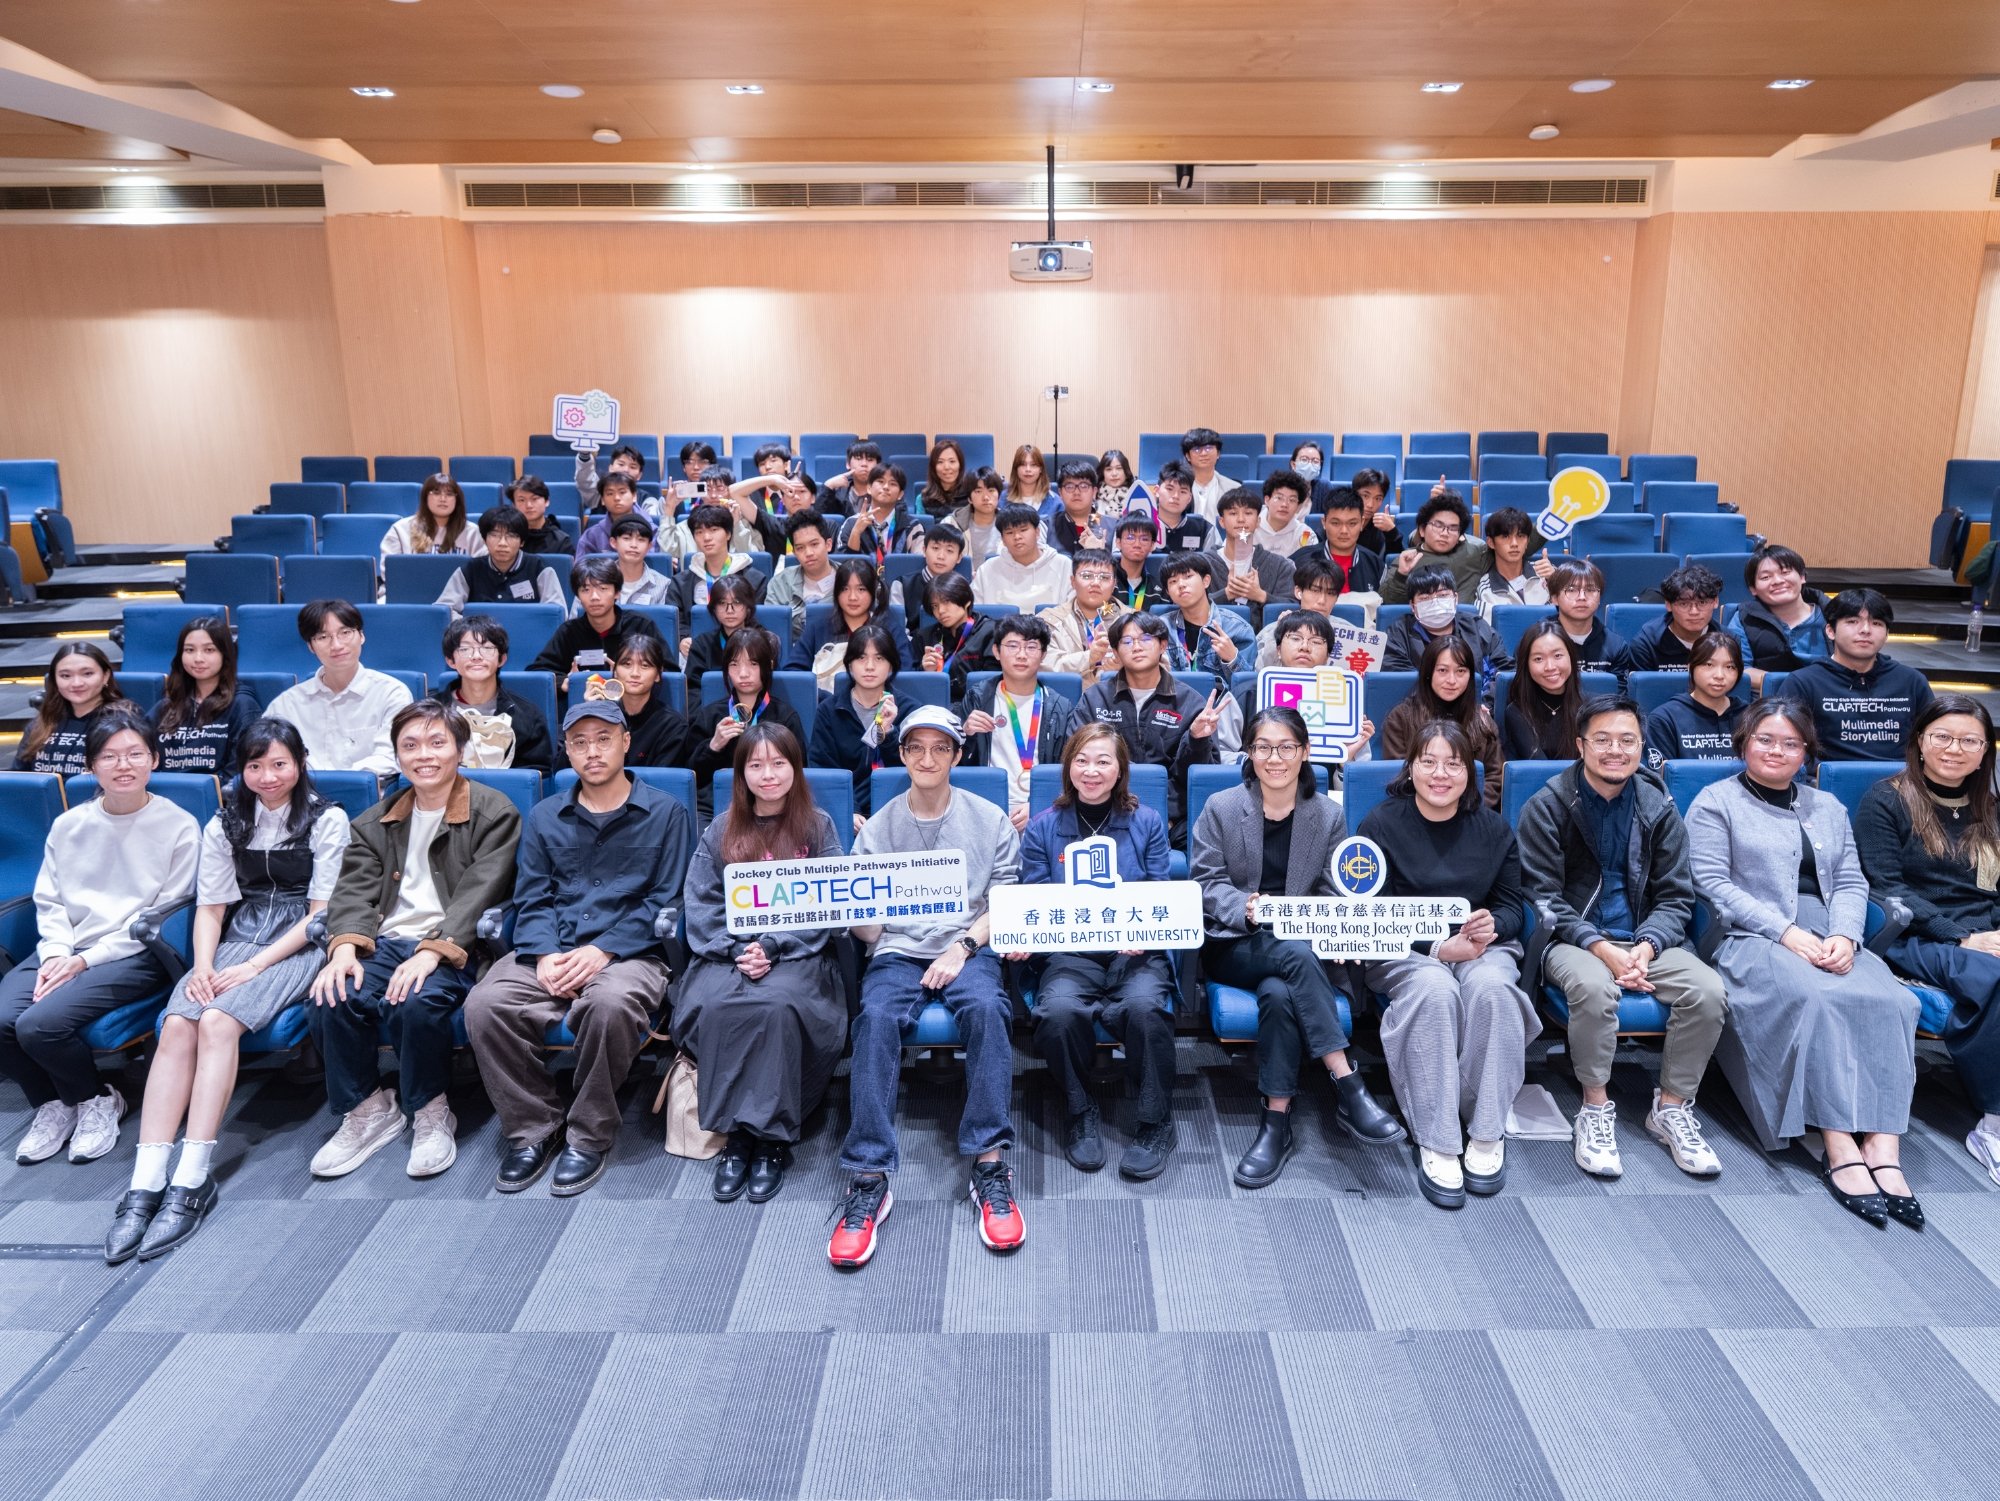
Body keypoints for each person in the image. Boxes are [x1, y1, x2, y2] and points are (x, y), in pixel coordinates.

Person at [103, 718, 349, 1262]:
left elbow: (321, 915)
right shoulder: (225, 821)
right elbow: (212, 908)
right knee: (177, 1024)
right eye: (255, 766)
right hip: (241, 933)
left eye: (279, 764)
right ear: (240, 769)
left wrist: (254, 966)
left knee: (216, 1021)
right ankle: (146, 1180)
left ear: (300, 763)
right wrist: (202, 967)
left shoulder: (326, 818)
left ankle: (192, 1177)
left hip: (301, 941)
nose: (268, 776)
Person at [1685, 699, 1922, 1226]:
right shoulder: (1715, 802)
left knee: (1894, 1000)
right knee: (1815, 998)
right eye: (1765, 739)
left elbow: (1852, 880)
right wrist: (1785, 931)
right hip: (1751, 934)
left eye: (1790, 743)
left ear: (1806, 752)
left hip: (1830, 928)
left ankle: (1883, 1145)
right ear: (1744, 743)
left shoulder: (1828, 807)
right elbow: (1712, 884)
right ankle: (1838, 1143)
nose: (1777, 751)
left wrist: (1845, 934)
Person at [464, 701, 689, 1197]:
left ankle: (589, 1134)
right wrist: (545, 954)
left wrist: (604, 950)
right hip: (554, 946)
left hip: (632, 952)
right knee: (485, 1004)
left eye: (604, 739)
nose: (592, 752)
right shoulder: (546, 815)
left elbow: (667, 899)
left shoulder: (666, 813)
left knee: (609, 1004)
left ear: (625, 743)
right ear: (566, 751)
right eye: (580, 743)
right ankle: (534, 1127)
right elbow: (532, 896)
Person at [829, 707, 1025, 1268]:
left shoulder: (989, 819)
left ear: (958, 756)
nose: (928, 758)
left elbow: (1004, 898)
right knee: (874, 1019)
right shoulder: (880, 826)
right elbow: (869, 929)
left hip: (967, 946)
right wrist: (855, 912)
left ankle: (989, 1163)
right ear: (902, 755)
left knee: (987, 1009)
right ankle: (869, 1175)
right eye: (916, 748)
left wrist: (961, 948)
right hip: (898, 948)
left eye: (941, 748)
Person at [307, 701, 522, 1181]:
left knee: (414, 1002)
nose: (424, 755)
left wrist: (431, 951)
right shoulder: (375, 821)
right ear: (398, 756)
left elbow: (480, 893)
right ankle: (368, 1108)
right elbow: (352, 893)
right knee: (330, 994)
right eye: (410, 745)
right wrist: (343, 949)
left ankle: (430, 1109)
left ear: (459, 750)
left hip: (456, 945)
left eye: (437, 743)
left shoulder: (493, 812)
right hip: (384, 943)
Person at [1192, 707, 1405, 1188]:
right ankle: (1346, 1079)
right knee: (1292, 957)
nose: (1275, 758)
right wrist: (1246, 906)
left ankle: (1276, 1121)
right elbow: (1204, 881)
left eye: (1286, 747)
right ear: (1249, 753)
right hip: (1235, 943)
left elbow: (1332, 889)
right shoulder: (1222, 808)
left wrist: (1317, 927)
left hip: (1300, 947)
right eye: (1263, 747)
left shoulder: (1327, 815)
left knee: (1279, 993)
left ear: (1305, 753)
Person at [1516, 697, 1728, 1181]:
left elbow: (1676, 896)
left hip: (1645, 939)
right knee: (1594, 988)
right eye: (1603, 740)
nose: (1616, 750)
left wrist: (1647, 946)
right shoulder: (1549, 805)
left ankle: (1671, 1107)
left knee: (1708, 990)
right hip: (1574, 939)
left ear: (1641, 746)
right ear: (1580, 745)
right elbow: (1542, 897)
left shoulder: (1658, 806)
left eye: (1627, 740)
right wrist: (1601, 948)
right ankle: (1594, 1107)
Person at [2, 710, 199, 1169]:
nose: (123, 765)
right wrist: (57, 952)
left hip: (135, 953)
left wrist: (85, 961)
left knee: (38, 1025)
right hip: (67, 946)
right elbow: (50, 900)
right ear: (91, 766)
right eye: (109, 757)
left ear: (154, 759)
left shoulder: (179, 825)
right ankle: (55, 1103)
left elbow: (162, 915)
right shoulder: (70, 825)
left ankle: (97, 1099)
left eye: (135, 754)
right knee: (2, 1019)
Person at [1357, 720, 1533, 1208]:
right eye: (1428, 762)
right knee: (1436, 990)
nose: (1440, 774)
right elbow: (1370, 913)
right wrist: (1437, 948)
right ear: (1410, 768)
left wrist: (1492, 925)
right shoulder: (1380, 825)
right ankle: (1436, 1137)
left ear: (1469, 773)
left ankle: (1486, 1127)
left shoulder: (1493, 829)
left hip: (1479, 948)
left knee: (1494, 990)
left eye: (1453, 764)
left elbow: (1512, 907)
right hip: (1403, 949)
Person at [680, 724, 845, 1203]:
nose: (768, 775)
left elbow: (832, 901)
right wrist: (737, 949)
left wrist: (773, 945)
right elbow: (701, 902)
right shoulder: (721, 828)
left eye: (778, 764)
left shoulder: (818, 826)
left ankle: (771, 1138)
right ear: (742, 773)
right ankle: (737, 1136)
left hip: (798, 952)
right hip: (727, 953)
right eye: (756, 765)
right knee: (719, 1006)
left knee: (776, 1006)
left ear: (795, 769)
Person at [1015, 725, 1179, 1179]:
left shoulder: (1147, 822)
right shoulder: (1044, 827)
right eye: (1082, 760)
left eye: (1103, 761)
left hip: (1135, 950)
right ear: (1068, 766)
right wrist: (1023, 938)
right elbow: (1034, 901)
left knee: (1145, 1008)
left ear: (1120, 769)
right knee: (1058, 1012)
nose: (1091, 771)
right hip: (1070, 952)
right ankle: (1079, 1110)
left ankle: (1155, 1122)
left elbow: (1160, 892)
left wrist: (1144, 931)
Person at [1853, 694, 2000, 1189]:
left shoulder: (1992, 809)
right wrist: (1963, 937)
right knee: (1994, 975)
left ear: (1985, 751)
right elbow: (1886, 888)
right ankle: (1993, 1123)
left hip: (1987, 934)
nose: (1954, 749)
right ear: (1919, 741)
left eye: (1969, 741)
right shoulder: (1887, 800)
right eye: (1943, 737)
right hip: (1916, 935)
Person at [1078, 611, 1225, 841]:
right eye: (1127, 641)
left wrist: (1196, 740)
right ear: (1115, 651)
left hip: (1173, 818)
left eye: (1145, 639)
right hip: (1106, 812)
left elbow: (1202, 777)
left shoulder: (1191, 703)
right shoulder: (1094, 699)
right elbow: (1076, 761)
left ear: (1163, 645)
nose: (1137, 647)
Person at [1779, 588, 1933, 761]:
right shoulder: (1803, 682)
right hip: (1827, 775)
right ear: (1830, 631)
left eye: (1877, 623)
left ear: (1887, 634)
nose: (1865, 630)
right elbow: (1787, 744)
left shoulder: (1912, 681)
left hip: (1900, 776)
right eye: (1852, 621)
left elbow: (1932, 737)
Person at [265, 599, 414, 777]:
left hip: (369, 792)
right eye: (323, 637)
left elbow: (391, 756)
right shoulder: (286, 704)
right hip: (304, 792)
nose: (336, 645)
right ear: (311, 646)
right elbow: (266, 757)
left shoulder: (392, 693)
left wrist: (339, 782)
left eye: (345, 633)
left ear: (361, 636)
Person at [957, 614, 1075, 832]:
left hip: (1042, 810)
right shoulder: (977, 699)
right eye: (1012, 646)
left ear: (1043, 654)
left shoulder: (1060, 707)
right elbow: (957, 763)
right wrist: (965, 735)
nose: (1021, 655)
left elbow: (1068, 768)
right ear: (996, 651)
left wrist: (1039, 804)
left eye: (1031, 647)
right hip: (985, 806)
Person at [688, 626, 808, 810]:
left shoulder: (785, 716)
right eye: (734, 664)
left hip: (773, 805)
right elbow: (691, 778)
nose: (743, 673)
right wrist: (713, 746)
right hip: (717, 806)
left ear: (768, 666)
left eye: (753, 664)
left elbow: (800, 772)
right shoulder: (710, 715)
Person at [808, 623, 916, 825]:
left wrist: (889, 734)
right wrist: (848, 810)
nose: (869, 667)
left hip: (901, 813)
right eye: (861, 658)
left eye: (879, 658)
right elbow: (823, 771)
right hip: (846, 814)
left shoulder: (910, 711)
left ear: (891, 665)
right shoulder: (829, 711)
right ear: (849, 664)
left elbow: (914, 769)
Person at [1380, 634, 1504, 809]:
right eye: (1442, 671)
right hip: (1417, 813)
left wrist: (1461, 809)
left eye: (1460, 671)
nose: (1452, 680)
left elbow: (1494, 778)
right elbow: (1399, 777)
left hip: (1470, 812)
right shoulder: (1401, 718)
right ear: (1428, 673)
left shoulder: (1482, 721)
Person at [429, 614, 554, 775]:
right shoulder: (429, 713)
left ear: (502, 659)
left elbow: (535, 776)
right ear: (450, 661)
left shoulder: (527, 715)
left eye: (487, 648)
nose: (476, 656)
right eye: (465, 649)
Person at [149, 617, 261, 778]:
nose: (198, 658)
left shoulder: (243, 705)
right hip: (164, 791)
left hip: (218, 793)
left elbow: (240, 771)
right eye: (189, 650)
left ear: (225, 654)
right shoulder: (166, 706)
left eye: (209, 650)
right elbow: (143, 753)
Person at [529, 557, 659, 679]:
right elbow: (540, 671)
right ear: (578, 596)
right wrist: (566, 682)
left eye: (603, 588)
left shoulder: (641, 626)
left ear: (617, 593)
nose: (594, 597)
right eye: (586, 590)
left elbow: (665, 669)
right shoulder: (569, 631)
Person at [576, 629, 689, 769]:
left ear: (657, 675)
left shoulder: (673, 726)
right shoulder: (601, 715)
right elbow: (565, 768)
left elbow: (662, 779)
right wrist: (588, 714)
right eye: (627, 664)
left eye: (645, 666)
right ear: (615, 671)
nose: (635, 673)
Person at [14, 642, 124, 775]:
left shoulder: (124, 721)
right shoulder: (41, 723)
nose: (76, 683)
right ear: (55, 680)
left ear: (105, 676)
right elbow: (19, 776)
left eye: (87, 674)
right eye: (65, 676)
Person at [1381, 565, 1508, 678]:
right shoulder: (1399, 632)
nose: (1435, 603)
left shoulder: (1476, 626)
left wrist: (1485, 697)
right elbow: (1398, 676)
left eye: (1442, 595)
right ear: (1412, 606)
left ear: (1455, 598)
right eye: (1425, 598)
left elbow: (1503, 669)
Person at [1644, 630, 1748, 769]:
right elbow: (1657, 776)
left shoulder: (1750, 716)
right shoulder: (1665, 719)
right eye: (1709, 665)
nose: (1719, 675)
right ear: (1690, 666)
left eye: (1730, 667)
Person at [1730, 543, 1828, 688]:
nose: (1777, 581)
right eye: (1765, 577)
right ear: (1753, 589)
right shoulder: (1743, 618)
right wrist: (1797, 684)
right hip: (1769, 698)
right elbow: (1739, 669)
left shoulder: (1834, 614)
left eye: (1785, 572)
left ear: (1802, 577)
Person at [434, 505, 566, 613]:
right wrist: (469, 626)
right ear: (484, 539)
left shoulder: (539, 568)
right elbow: (443, 610)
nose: (502, 543)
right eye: (495, 535)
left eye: (511, 536)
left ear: (522, 542)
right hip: (480, 636)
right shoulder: (470, 569)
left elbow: (557, 612)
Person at [1380, 491, 1494, 604]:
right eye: (1438, 525)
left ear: (1460, 534)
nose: (1445, 533)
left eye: (1453, 528)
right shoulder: (1407, 559)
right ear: (1422, 530)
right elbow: (1387, 604)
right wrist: (1401, 575)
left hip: (1465, 615)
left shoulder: (1475, 554)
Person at [1206, 489, 1296, 631]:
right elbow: (1188, 603)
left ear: (1258, 521)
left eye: (1248, 513)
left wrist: (1260, 595)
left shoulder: (1281, 565)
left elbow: (1294, 607)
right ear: (1221, 521)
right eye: (1233, 513)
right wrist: (1227, 593)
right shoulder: (1202, 564)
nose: (1241, 519)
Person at [790, 557, 888, 680]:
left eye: (861, 589)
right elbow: (793, 671)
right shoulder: (818, 628)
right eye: (845, 589)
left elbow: (903, 673)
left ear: (873, 592)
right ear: (836, 593)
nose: (852, 597)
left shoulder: (887, 628)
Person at [1159, 554, 1253, 679]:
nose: (1181, 584)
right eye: (1173, 581)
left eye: (1188, 576)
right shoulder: (1161, 629)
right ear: (1168, 592)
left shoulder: (1237, 628)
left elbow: (1248, 685)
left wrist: (1232, 658)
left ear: (1206, 581)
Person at [1619, 563, 1725, 673]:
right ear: (1668, 605)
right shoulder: (1646, 645)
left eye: (1702, 602)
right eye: (1684, 604)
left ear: (1715, 602)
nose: (1694, 612)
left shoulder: (1729, 641)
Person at [1500, 621, 1581, 762]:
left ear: (1571, 657)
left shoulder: (1590, 708)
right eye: (1538, 659)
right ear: (1526, 665)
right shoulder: (1517, 712)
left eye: (1557, 656)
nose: (1550, 667)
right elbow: (1540, 769)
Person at [670, 504, 768, 617]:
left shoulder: (755, 580)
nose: (706, 538)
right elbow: (678, 622)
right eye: (699, 532)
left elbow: (757, 619)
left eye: (713, 530)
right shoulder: (680, 583)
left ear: (728, 534)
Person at [911, 573, 996, 700]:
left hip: (978, 704)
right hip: (934, 705)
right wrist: (925, 672)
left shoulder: (990, 632)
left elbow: (992, 682)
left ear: (966, 601)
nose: (940, 611)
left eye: (946, 602)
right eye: (935, 606)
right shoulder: (924, 637)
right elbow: (911, 687)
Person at [972, 503, 1071, 612]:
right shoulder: (987, 569)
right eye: (1010, 532)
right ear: (1003, 539)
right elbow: (976, 612)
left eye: (1023, 530)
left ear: (1037, 532)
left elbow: (1074, 611)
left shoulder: (1063, 565)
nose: (1017, 537)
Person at [1037, 549, 1121, 676]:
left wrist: (1124, 668)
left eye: (1104, 577)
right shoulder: (1048, 620)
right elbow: (1043, 663)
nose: (1096, 583)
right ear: (1073, 581)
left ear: (1114, 583)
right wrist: (1089, 657)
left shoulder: (1131, 620)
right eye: (1087, 576)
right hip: (1066, 689)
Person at [1295, 488, 1383, 597]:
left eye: (1352, 524)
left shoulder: (1375, 564)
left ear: (1362, 523)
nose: (1344, 531)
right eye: (1336, 523)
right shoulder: (1300, 561)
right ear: (1324, 522)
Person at [681, 572, 759, 695]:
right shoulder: (702, 645)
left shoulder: (761, 642)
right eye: (722, 603)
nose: (730, 610)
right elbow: (692, 692)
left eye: (737, 602)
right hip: (711, 706)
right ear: (714, 609)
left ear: (748, 607)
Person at [764, 510, 840, 636]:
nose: (808, 553)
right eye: (800, 548)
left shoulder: (849, 579)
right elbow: (774, 631)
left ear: (828, 545)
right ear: (794, 552)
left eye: (814, 544)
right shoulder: (780, 583)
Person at [893, 523, 966, 651]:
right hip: (912, 651)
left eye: (949, 551)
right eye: (935, 548)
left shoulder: (965, 589)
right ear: (924, 550)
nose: (941, 556)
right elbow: (898, 632)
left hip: (956, 652)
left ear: (959, 557)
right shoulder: (902, 584)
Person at [1546, 560, 1626, 674]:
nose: (1582, 597)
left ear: (1599, 598)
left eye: (1590, 590)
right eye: (1572, 590)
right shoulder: (1537, 641)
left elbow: (1618, 685)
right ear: (1554, 598)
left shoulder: (1615, 645)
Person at [380, 473, 484, 560]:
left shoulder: (473, 533)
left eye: (449, 494)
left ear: (457, 500)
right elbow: (391, 571)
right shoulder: (400, 530)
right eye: (436, 493)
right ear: (425, 497)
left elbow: (482, 571)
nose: (443, 499)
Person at [1473, 507, 1553, 616]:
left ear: (1527, 542)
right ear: (1491, 542)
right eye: (1505, 536)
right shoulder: (1485, 591)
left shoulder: (1548, 572)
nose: (1514, 543)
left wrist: (1556, 583)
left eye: (1520, 536)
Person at [841, 464, 926, 559]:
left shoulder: (912, 526)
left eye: (892, 484)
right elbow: (844, 563)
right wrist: (856, 533)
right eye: (880, 481)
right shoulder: (851, 523)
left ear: (900, 494)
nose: (886, 487)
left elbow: (919, 562)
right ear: (869, 488)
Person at [572, 470, 646, 559]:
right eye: (610, 493)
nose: (617, 498)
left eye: (622, 492)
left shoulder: (651, 530)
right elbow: (581, 565)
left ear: (634, 496)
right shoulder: (591, 535)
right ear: (602, 500)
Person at [605, 514, 674, 607]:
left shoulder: (663, 585)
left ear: (649, 546)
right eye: (626, 538)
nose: (633, 545)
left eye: (641, 540)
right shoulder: (597, 580)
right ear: (613, 542)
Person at [1044, 460, 1109, 556]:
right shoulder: (1045, 526)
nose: (1077, 492)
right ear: (1060, 493)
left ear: (1094, 492)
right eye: (1070, 487)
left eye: (1084, 486)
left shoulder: (1113, 527)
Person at [1152, 460, 1218, 554]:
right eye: (1170, 489)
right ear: (1156, 491)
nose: (1176, 496)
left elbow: (1214, 561)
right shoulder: (1141, 526)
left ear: (1189, 498)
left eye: (1183, 491)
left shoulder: (1204, 529)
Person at [1181, 427, 1245, 521]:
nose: (1203, 453)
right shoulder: (1177, 489)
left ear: (1218, 454)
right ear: (1188, 456)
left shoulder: (1234, 489)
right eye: (1197, 449)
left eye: (1208, 448)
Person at [572, 442, 647, 519]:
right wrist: (584, 455)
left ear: (639, 475)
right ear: (610, 468)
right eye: (621, 464)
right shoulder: (599, 492)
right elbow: (586, 481)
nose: (626, 470)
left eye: (633, 467)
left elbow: (652, 514)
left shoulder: (645, 498)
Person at [1252, 470, 1317, 557]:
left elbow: (1311, 564)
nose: (1284, 504)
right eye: (1279, 498)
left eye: (1292, 500)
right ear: (1267, 500)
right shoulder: (1249, 527)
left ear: (1298, 507)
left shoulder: (1305, 534)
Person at [949, 466, 1006, 565]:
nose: (986, 497)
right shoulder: (952, 524)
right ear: (969, 499)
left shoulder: (1009, 524)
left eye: (991, 490)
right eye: (978, 491)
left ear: (999, 495)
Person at [506, 474, 573, 557]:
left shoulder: (561, 541)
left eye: (534, 499)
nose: (529, 505)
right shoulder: (506, 538)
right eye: (522, 500)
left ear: (547, 501)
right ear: (514, 505)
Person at [1109, 513, 1162, 611]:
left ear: (1152, 545)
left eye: (1144, 539)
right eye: (1130, 538)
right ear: (1118, 542)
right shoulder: (1106, 582)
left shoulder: (1159, 590)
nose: (1137, 544)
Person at [816, 439, 882, 512]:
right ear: (848, 464)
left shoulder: (884, 490)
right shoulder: (837, 492)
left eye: (870, 460)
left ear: (878, 465)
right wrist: (828, 486)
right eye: (858, 459)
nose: (864, 464)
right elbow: (817, 515)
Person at [1352, 468, 1403, 557]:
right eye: (1365, 496)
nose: (1370, 505)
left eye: (1378, 498)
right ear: (1354, 494)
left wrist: (1391, 531)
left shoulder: (1380, 529)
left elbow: (1395, 561)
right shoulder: (1339, 521)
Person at [918, 439, 971, 520]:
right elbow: (921, 526)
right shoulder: (923, 498)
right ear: (933, 467)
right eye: (940, 462)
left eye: (952, 461)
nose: (946, 467)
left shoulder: (971, 494)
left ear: (960, 464)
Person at [1285, 440, 1339, 511]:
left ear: (1320, 466)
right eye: (1304, 460)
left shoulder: (1324, 487)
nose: (1309, 464)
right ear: (1293, 465)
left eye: (1315, 461)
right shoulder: (1282, 486)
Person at [1003, 443, 1051, 511]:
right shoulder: (1003, 499)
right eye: (1023, 464)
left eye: (1033, 465)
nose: (1028, 469)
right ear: (1016, 468)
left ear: (1041, 469)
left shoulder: (1054, 502)